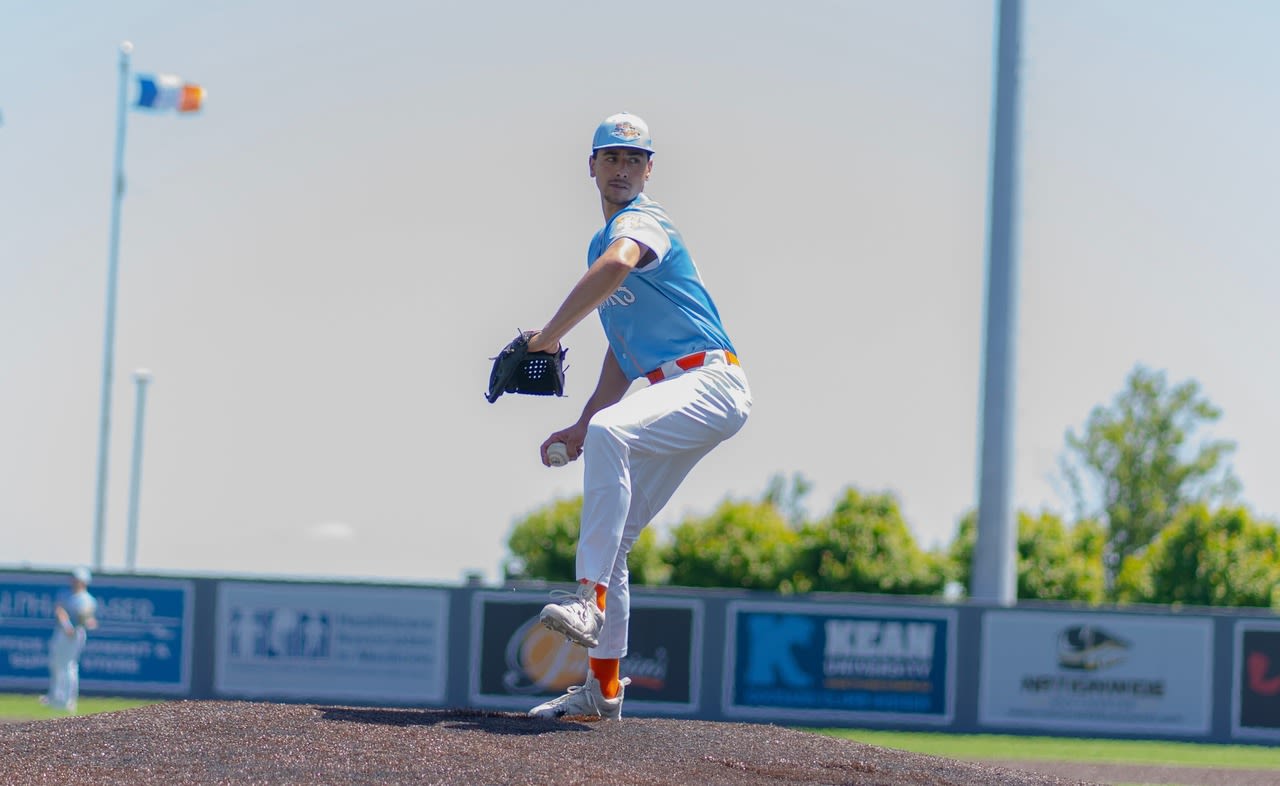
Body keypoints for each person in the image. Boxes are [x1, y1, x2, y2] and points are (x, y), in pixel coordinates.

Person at [523, 112, 752, 719]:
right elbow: (622, 353)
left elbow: (620, 263)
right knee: (616, 534)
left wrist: (547, 336)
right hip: (668, 389)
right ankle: (603, 692)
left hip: (708, 380)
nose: (621, 168)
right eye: (611, 157)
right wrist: (581, 421)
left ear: (649, 170)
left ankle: (587, 600)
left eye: (633, 159)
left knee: (611, 433)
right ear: (591, 166)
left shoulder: (641, 224)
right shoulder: (600, 246)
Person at [41, 567, 98, 713]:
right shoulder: (65, 593)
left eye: (77, 579)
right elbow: (60, 610)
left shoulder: (88, 599)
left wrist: (85, 623)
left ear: (84, 581)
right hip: (62, 632)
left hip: (76, 635)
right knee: (55, 663)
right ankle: (55, 696)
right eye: (73, 578)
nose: (74, 581)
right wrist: (67, 625)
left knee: (69, 666)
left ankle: (69, 700)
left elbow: (87, 618)